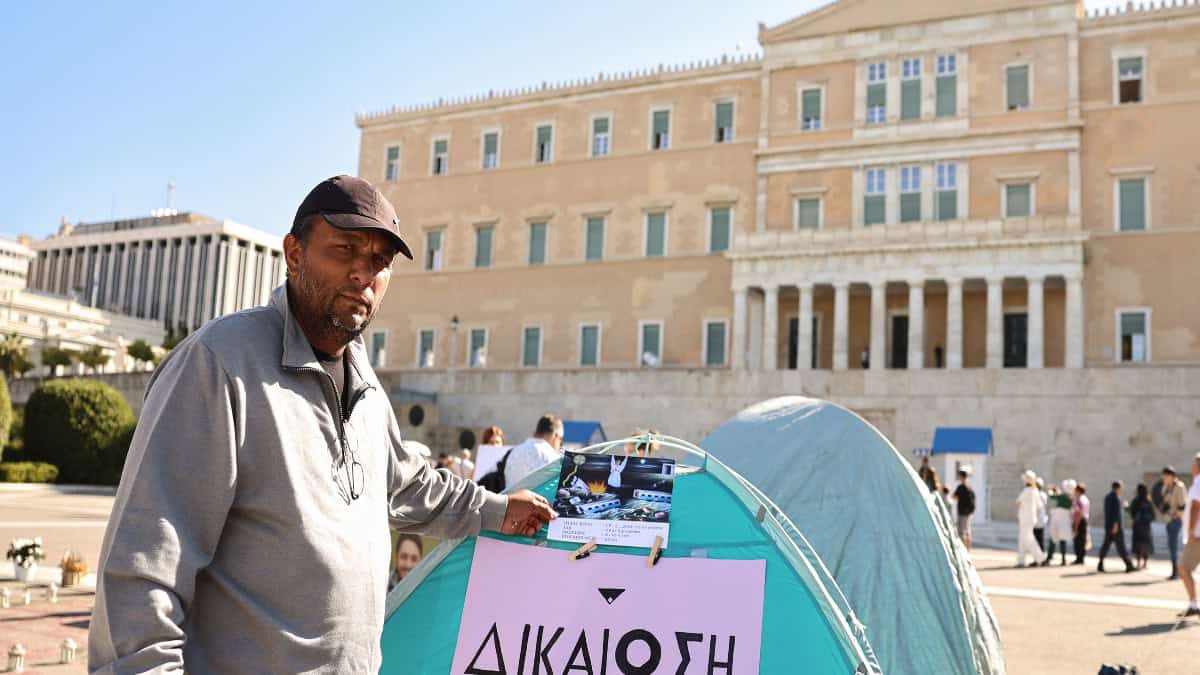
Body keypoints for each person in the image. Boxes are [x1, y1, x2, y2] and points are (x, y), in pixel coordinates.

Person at [88, 175, 556, 673]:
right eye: (345, 249)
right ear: (294, 254)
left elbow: (404, 486)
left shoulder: (364, 381)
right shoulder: (219, 364)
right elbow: (143, 570)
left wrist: (497, 509)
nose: (363, 273)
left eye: (379, 261)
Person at [504, 414, 565, 488]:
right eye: (561, 439)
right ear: (556, 435)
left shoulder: (514, 451)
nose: (560, 444)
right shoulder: (551, 456)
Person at [1097, 481, 1135, 573]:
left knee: (1106, 545)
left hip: (1108, 525)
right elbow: (1116, 513)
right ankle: (1129, 565)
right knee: (1121, 546)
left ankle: (1100, 563)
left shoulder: (1108, 497)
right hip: (1116, 527)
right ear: (1118, 488)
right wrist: (1116, 525)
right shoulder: (1116, 498)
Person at [1180, 454, 1200, 618]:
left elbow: (1196, 505)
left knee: (1184, 568)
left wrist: (1191, 530)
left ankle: (1194, 604)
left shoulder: (1198, 483)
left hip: (1197, 536)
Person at [1161, 465, 1188, 580]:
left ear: (1171, 476)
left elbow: (1183, 505)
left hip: (1175, 519)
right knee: (1171, 545)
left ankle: (1176, 571)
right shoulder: (1166, 487)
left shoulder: (1179, 487)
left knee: (1173, 545)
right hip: (1168, 519)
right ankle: (1176, 570)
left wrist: (1176, 515)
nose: (1163, 478)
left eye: (1165, 476)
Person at [1015, 471, 1042, 567]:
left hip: (1026, 519)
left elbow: (1018, 503)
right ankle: (1021, 560)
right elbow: (1039, 506)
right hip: (1031, 518)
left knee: (1028, 538)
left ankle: (1039, 557)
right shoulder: (1035, 491)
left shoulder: (1026, 491)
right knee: (1023, 539)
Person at [1046, 481, 1075, 566]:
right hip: (1066, 520)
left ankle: (1049, 557)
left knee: (1053, 538)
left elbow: (1052, 496)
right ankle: (1063, 559)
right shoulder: (1072, 498)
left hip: (1058, 519)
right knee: (1063, 540)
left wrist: (1050, 489)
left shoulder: (1062, 496)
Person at [1128, 483, 1154, 570]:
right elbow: (1153, 515)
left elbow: (1131, 513)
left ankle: (1138, 563)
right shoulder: (1148, 502)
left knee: (1138, 545)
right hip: (1146, 526)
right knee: (1146, 544)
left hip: (1137, 526)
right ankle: (1145, 563)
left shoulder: (1136, 501)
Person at [952, 468, 976, 549]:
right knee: (967, 531)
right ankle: (968, 548)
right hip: (968, 513)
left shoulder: (960, 487)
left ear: (961, 477)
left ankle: (963, 549)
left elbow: (954, 497)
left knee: (961, 531)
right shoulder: (970, 487)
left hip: (962, 512)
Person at [1071, 483, 1091, 565]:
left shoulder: (1079, 500)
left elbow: (1078, 513)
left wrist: (1075, 526)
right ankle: (1081, 557)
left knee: (1078, 540)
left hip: (1079, 521)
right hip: (1084, 520)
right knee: (1082, 540)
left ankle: (1079, 558)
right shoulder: (1085, 499)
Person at [1034, 477, 1049, 558]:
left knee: (1038, 540)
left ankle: (1040, 557)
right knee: (1038, 539)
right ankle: (1039, 557)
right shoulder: (1042, 494)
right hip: (1040, 519)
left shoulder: (1038, 495)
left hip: (1038, 520)